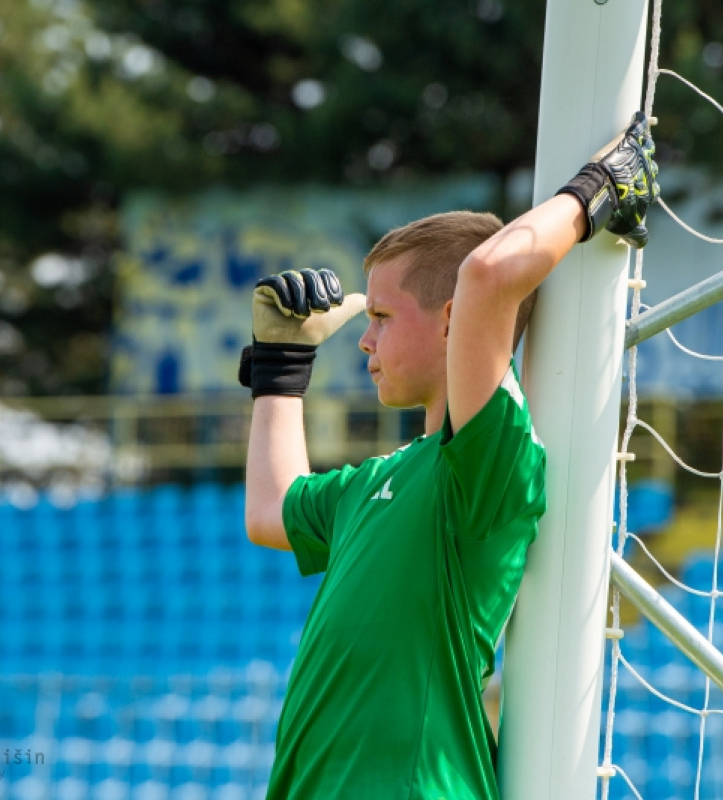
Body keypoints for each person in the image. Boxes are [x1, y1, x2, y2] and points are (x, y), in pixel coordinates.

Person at [238, 112, 659, 799]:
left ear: (451, 319)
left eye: (379, 317)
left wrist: (599, 188)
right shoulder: (377, 478)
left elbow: (491, 272)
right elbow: (267, 513)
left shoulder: (486, 460)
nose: (364, 341)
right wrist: (281, 364)